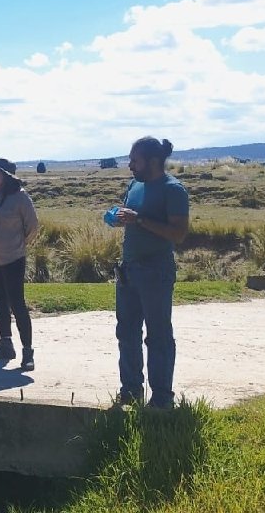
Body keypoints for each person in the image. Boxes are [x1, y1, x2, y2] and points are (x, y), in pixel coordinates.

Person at [107, 136, 190, 409]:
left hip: (156, 271)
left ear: (152, 161)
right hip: (129, 270)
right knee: (126, 332)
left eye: (134, 160)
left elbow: (178, 234)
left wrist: (139, 219)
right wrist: (120, 219)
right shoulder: (135, 185)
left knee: (158, 336)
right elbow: (131, 219)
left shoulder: (173, 190)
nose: (130, 165)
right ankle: (131, 392)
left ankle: (162, 399)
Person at [0, 158, 39, 371]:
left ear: (8, 175)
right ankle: (5, 345)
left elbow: (32, 227)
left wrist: (17, 245)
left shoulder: (20, 198)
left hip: (12, 257)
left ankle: (28, 352)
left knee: (17, 304)